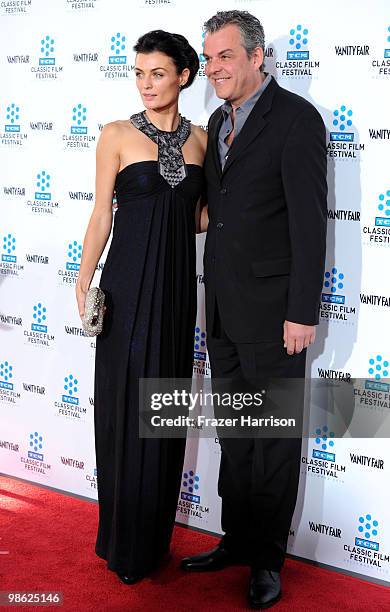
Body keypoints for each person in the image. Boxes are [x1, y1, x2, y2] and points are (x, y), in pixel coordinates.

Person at [181, 10, 327, 609]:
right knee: (238, 436)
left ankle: (267, 560)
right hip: (221, 311)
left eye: (225, 57)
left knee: (273, 440)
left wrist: (302, 311)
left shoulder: (296, 119)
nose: (213, 68)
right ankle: (237, 540)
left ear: (257, 56)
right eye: (209, 58)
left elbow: (308, 223)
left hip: (275, 315)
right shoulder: (217, 120)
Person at [76, 30, 206, 585]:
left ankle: (153, 542)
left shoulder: (203, 141)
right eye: (138, 72)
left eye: (158, 72)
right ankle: (123, 544)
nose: (146, 83)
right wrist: (83, 282)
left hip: (177, 293)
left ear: (183, 75)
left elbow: (199, 216)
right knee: (125, 412)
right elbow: (101, 215)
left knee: (164, 415)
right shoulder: (115, 135)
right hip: (127, 292)